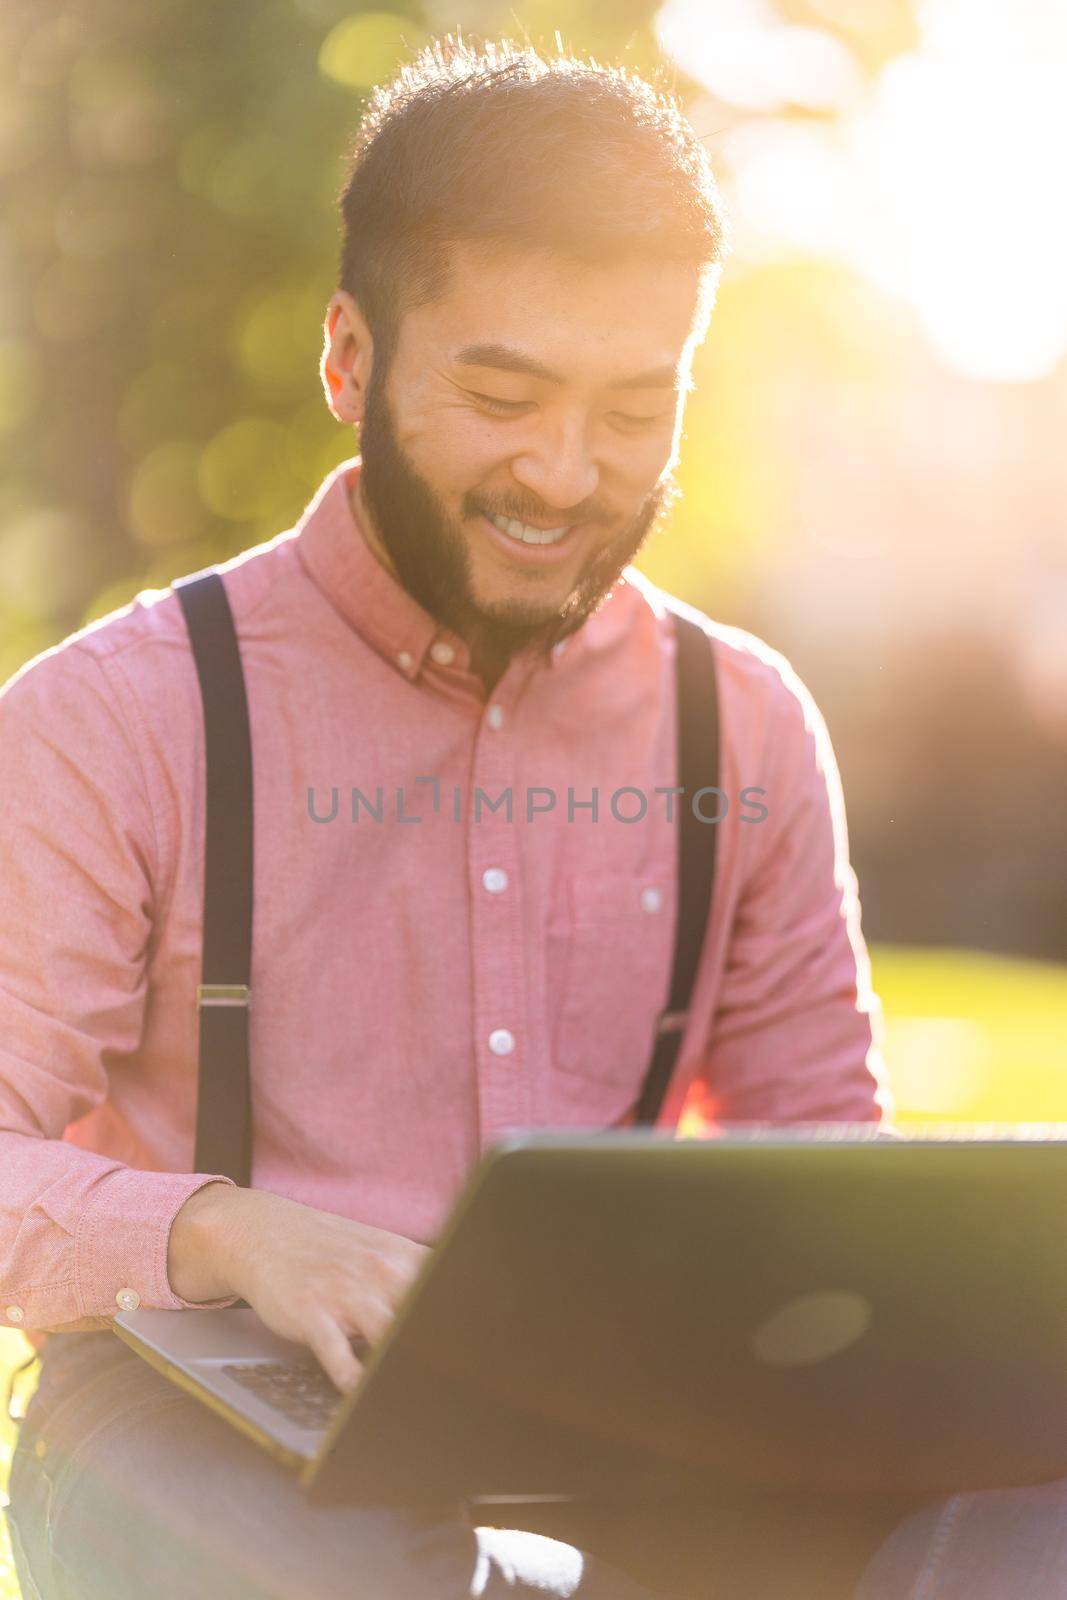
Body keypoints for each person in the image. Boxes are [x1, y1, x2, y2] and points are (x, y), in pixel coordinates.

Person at [3, 32, 1060, 1600]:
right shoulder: (117, 716)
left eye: (635, 410)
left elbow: (833, 1192)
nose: (565, 474)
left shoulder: (745, 726)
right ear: (351, 360)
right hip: (192, 1410)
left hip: (627, 1417)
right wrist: (229, 1234)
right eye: (503, 396)